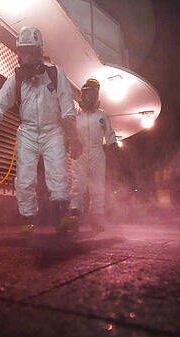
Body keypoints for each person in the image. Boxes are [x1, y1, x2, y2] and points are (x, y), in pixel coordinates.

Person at [0, 26, 82, 233]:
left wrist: (73, 137)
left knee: (57, 175)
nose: (27, 57)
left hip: (53, 131)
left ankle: (62, 218)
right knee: (25, 178)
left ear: (39, 52)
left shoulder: (56, 75)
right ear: (19, 53)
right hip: (27, 133)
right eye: (24, 52)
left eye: (32, 51)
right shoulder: (16, 80)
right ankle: (27, 220)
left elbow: (67, 110)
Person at [69, 78, 117, 231]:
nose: (89, 97)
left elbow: (110, 135)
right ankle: (74, 216)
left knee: (97, 186)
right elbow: (69, 132)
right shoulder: (76, 114)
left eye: (92, 94)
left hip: (97, 152)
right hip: (80, 152)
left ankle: (97, 219)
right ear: (82, 95)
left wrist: (115, 152)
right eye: (86, 93)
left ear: (97, 95)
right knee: (78, 184)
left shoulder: (102, 115)